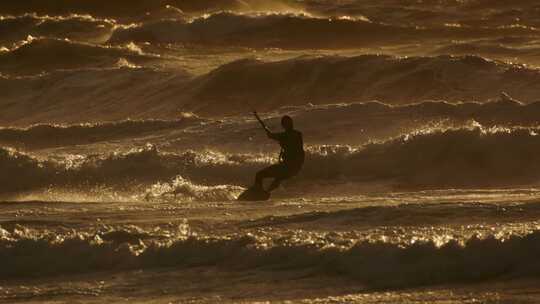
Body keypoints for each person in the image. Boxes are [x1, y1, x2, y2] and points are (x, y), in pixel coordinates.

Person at [253, 112, 305, 193]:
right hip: (295, 169)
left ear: (284, 125)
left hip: (287, 167)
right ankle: (266, 192)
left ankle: (258, 192)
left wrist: (265, 128)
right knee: (279, 178)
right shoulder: (298, 134)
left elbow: (271, 135)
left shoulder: (285, 136)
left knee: (259, 175)